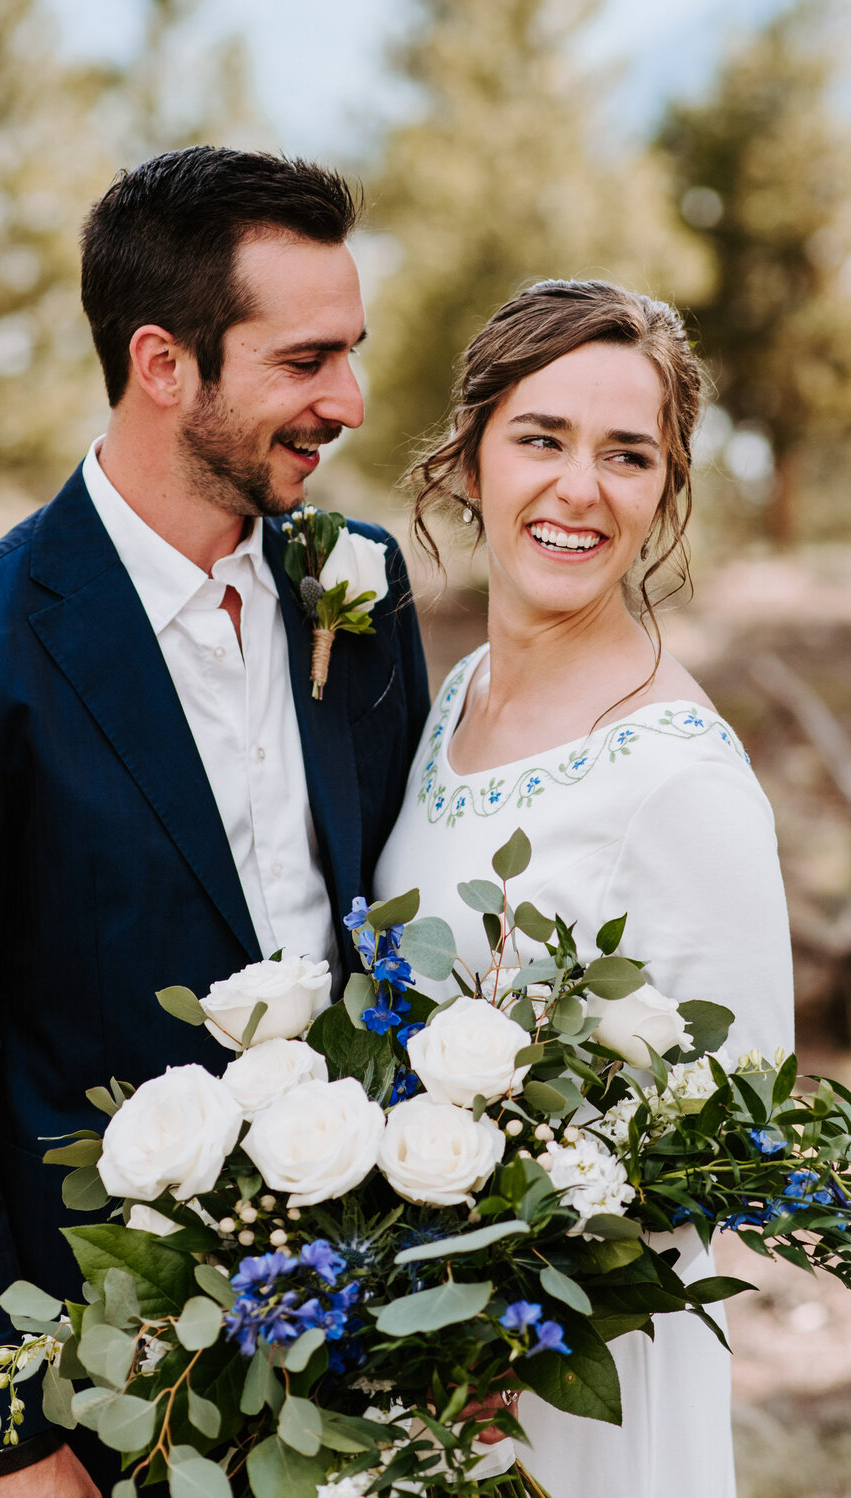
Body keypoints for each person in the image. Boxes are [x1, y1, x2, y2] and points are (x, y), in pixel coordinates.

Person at [0, 147, 429, 1497]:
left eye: (351, 351)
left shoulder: (361, 590)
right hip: (116, 1389)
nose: (347, 400)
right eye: (305, 361)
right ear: (163, 363)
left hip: (383, 1346)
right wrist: (11, 1441)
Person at [374, 279, 794, 1498]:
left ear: (664, 490)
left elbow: (739, 1137)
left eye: (627, 454)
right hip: (414, 1360)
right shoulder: (455, 699)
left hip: (572, 1384)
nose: (579, 488)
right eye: (540, 438)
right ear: (467, 459)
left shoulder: (677, 777)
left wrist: (519, 1288)